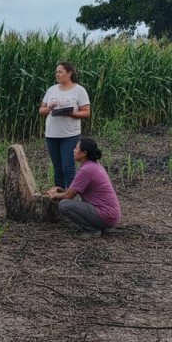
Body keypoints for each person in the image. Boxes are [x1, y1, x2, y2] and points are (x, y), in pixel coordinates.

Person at [46, 138, 120, 237]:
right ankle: (96, 226)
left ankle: (92, 230)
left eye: (76, 149)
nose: (73, 151)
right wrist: (61, 191)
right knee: (66, 202)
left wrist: (54, 196)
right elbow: (72, 192)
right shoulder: (93, 166)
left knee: (64, 205)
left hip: (106, 216)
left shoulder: (86, 170)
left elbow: (69, 196)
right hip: (110, 215)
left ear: (84, 153)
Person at [38, 61, 90, 190]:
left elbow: (87, 112)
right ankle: (59, 195)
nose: (57, 74)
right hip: (52, 134)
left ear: (69, 73)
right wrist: (49, 108)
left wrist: (72, 114)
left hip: (69, 134)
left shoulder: (79, 90)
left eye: (60, 72)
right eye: (56, 72)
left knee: (68, 166)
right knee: (57, 167)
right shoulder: (52, 89)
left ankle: (70, 196)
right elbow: (41, 111)